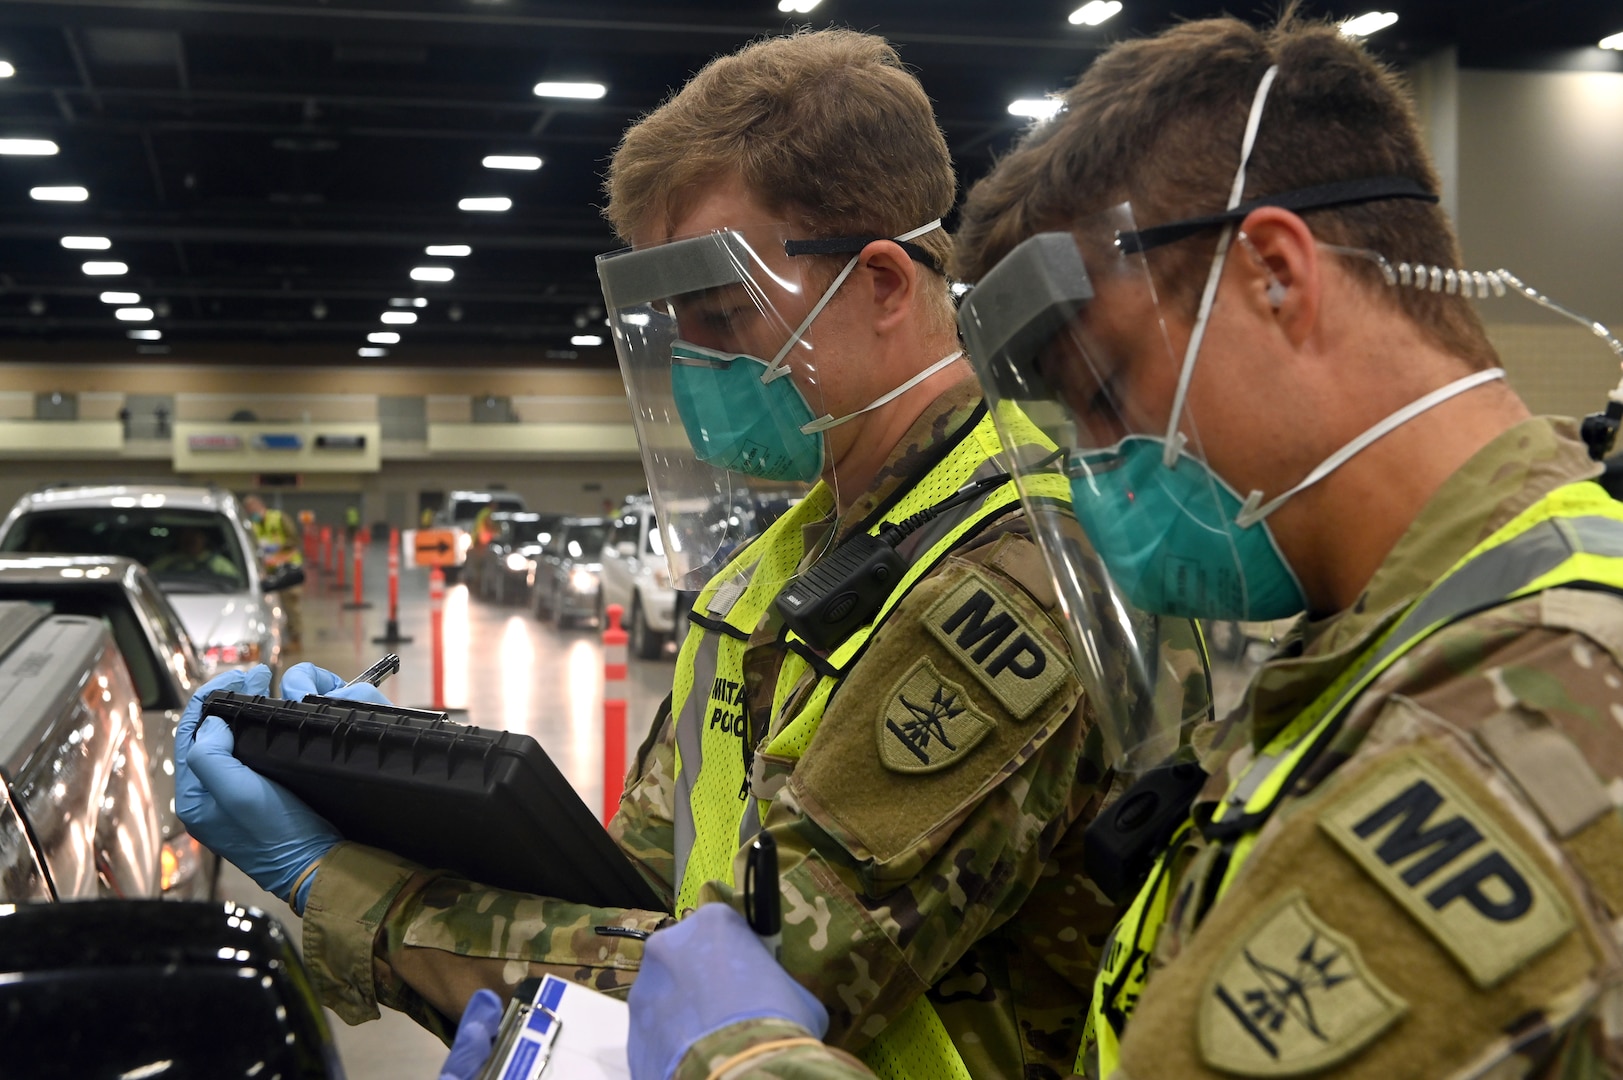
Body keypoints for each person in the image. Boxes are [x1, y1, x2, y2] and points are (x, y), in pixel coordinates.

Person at [176, 27, 1207, 1080]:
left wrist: (342, 885)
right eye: (680, 329)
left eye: (721, 317)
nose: (698, 368)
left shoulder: (1015, 573)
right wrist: (404, 807)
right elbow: (646, 893)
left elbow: (755, 987)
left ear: (886, 283)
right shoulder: (778, 570)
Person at [619, 11, 1623, 1079]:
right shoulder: (1383, 649)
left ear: (1276, 275)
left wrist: (739, 1055)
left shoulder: (1517, 703)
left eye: (1104, 391)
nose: (1095, 466)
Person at [244, 494, 304, 649]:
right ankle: (278, 640)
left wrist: (279, 549)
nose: (252, 515)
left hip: (288, 569)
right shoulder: (253, 525)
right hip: (270, 572)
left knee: (291, 605)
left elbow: (294, 540)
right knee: (275, 608)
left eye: (253, 510)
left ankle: (296, 639)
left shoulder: (279, 518)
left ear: (260, 506)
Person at [149, 525, 240, 581]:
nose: (190, 539)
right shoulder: (165, 562)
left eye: (195, 535)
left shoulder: (220, 565)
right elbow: (148, 580)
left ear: (204, 539)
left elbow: (237, 583)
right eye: (186, 535)